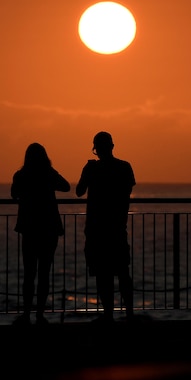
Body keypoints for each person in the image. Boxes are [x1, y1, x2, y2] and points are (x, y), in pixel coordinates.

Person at [76, 131, 135, 324]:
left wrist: (88, 171)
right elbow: (127, 192)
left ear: (96, 149)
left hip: (96, 228)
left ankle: (108, 314)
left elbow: (78, 191)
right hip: (117, 226)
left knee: (103, 274)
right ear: (112, 147)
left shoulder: (92, 169)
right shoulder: (125, 167)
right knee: (123, 271)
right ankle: (129, 314)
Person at [11, 142, 71, 326]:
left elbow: (14, 194)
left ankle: (27, 314)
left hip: (29, 228)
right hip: (48, 228)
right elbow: (66, 187)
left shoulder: (21, 175)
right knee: (45, 272)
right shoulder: (49, 173)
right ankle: (40, 315)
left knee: (29, 273)